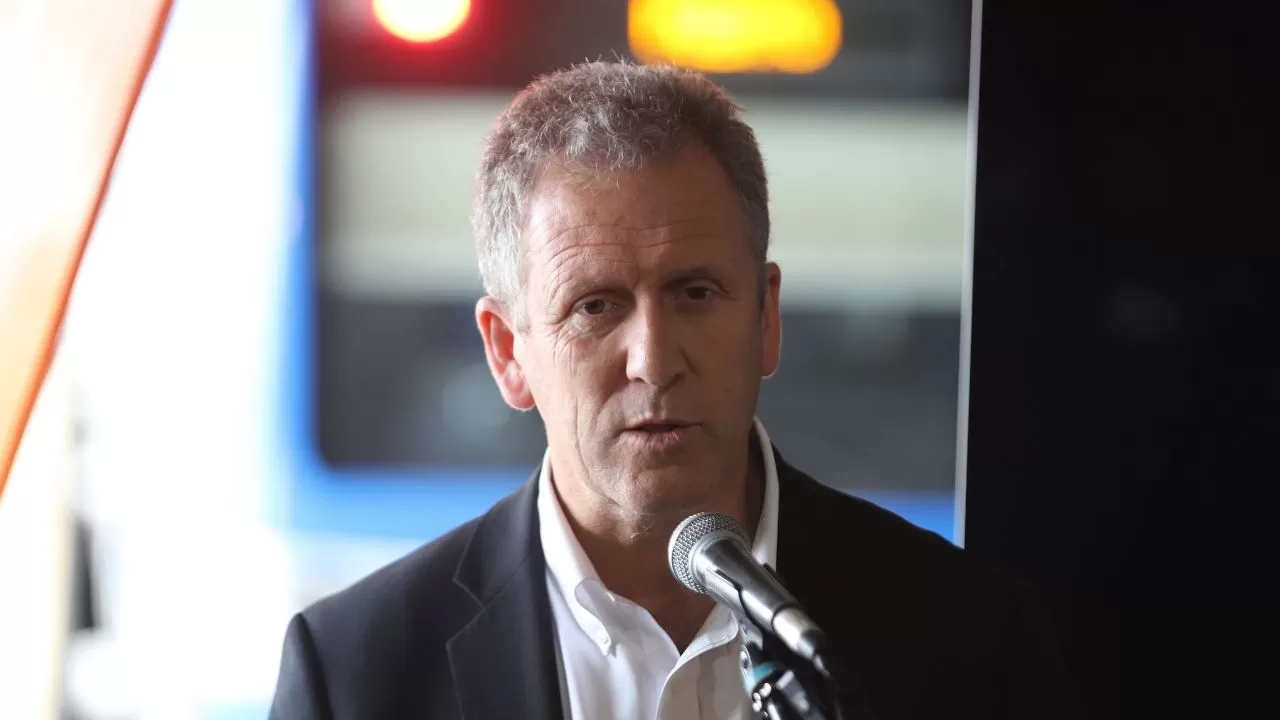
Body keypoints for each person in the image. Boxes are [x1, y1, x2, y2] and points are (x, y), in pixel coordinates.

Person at [268, 60, 1079, 720]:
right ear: (508, 352)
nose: (654, 362)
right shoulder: (355, 675)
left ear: (766, 318)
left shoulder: (974, 638)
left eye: (695, 293)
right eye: (595, 306)